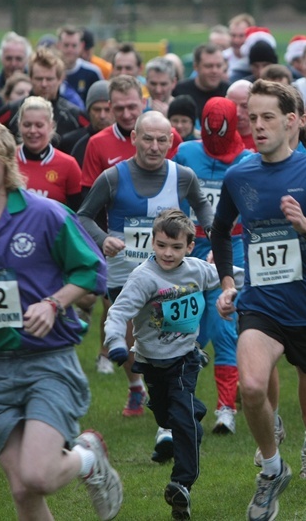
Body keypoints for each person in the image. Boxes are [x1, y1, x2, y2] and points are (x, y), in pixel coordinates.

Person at [0, 117, 122, 520]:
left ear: (7, 165)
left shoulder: (45, 214)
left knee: (37, 474)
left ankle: (87, 457)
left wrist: (54, 303)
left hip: (49, 360)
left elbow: (92, 271)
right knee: (22, 490)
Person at [210, 79, 306, 521]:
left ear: (292, 121)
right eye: (252, 118)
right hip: (261, 305)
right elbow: (219, 231)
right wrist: (229, 282)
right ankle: (272, 468)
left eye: (268, 117)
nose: (258, 126)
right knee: (250, 388)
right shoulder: (239, 174)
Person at [103, 209, 241, 519]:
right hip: (151, 362)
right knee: (169, 415)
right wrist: (115, 343)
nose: (168, 253)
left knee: (179, 416)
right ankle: (194, 416)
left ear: (190, 247)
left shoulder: (197, 270)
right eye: (162, 245)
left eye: (176, 247)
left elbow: (231, 273)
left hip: (185, 358)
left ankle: (182, 484)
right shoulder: (143, 277)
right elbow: (118, 313)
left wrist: (243, 285)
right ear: (153, 242)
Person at [78, 111, 213, 419]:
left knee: (164, 331)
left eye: (161, 140)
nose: (154, 146)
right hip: (125, 270)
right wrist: (103, 240)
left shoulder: (182, 176)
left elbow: (203, 206)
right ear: (134, 138)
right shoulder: (113, 177)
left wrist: (213, 230)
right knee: (129, 336)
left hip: (168, 269)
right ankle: (137, 385)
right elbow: (83, 215)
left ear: (171, 141)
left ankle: (170, 401)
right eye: (148, 139)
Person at [173, 97, 254, 435]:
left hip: (231, 247)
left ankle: (226, 407)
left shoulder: (248, 160)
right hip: (188, 248)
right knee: (185, 329)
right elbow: (173, 201)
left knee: (224, 326)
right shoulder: (187, 153)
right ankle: (179, 404)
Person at [81, 75, 182, 192]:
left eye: (131, 107)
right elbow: (88, 192)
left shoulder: (168, 137)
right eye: (119, 108)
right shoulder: (97, 143)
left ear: (143, 103)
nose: (126, 115)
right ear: (110, 107)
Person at [0, 47, 90, 149]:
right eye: (39, 79)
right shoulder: (12, 111)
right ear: (30, 78)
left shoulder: (74, 116)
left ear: (60, 79)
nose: (44, 84)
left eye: (49, 79)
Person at [15, 96, 82, 211]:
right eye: (27, 125)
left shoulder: (68, 165)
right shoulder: (7, 160)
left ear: (51, 126)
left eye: (39, 125)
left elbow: (79, 215)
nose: (32, 131)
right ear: (19, 125)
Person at [173, 44, 229, 122]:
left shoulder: (229, 93)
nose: (214, 71)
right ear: (196, 67)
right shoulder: (179, 91)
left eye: (219, 66)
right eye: (208, 66)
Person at [61, 80, 113, 165]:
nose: (102, 116)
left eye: (107, 110)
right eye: (97, 110)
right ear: (88, 111)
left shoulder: (130, 140)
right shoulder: (71, 142)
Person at [56, 25, 104, 105]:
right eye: (66, 45)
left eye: (74, 45)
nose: (70, 50)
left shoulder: (92, 72)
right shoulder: (50, 72)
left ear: (81, 46)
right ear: (59, 45)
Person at [226, 79, 256, 150]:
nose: (237, 113)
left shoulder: (266, 140)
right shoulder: (216, 137)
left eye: (245, 106)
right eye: (232, 105)